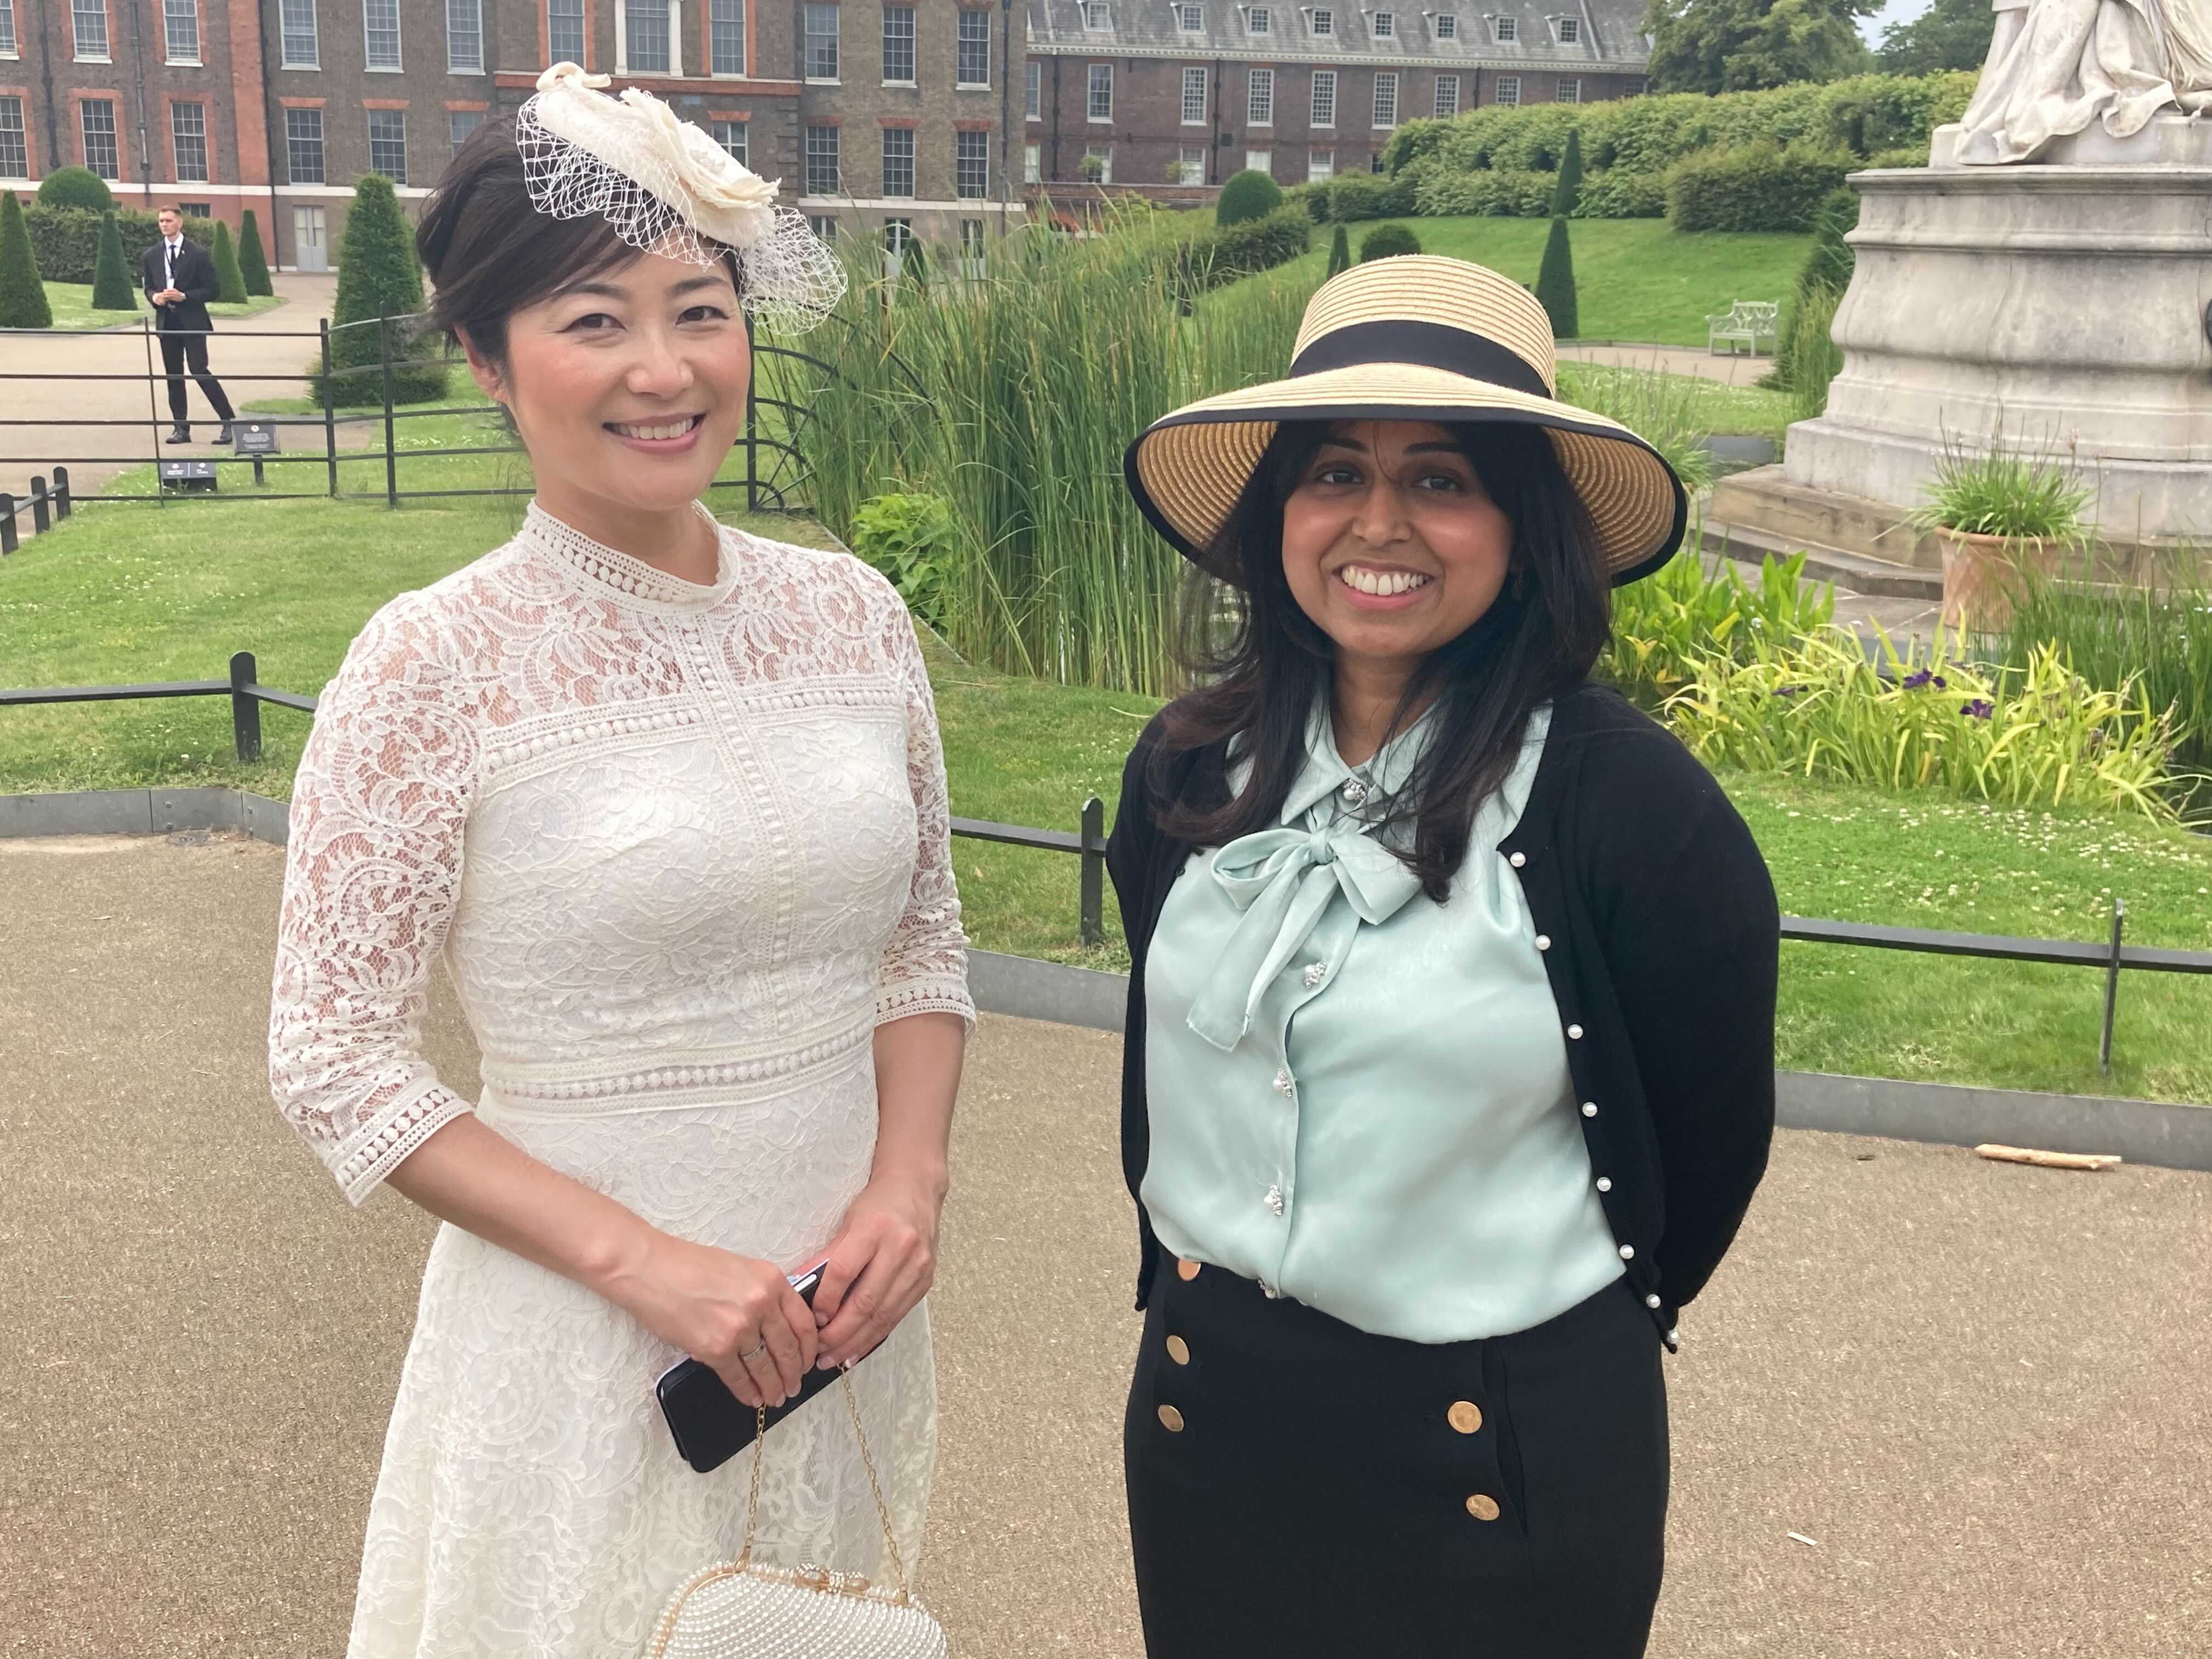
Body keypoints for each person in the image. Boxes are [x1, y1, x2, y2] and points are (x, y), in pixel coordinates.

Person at [267, 65, 970, 1657]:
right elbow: (331, 1059)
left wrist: (910, 1184)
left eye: (698, 309)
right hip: (594, 1335)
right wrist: (646, 1267)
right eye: (594, 321)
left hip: (841, 1315)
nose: (665, 370)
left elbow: (922, 940)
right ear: (484, 358)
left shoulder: (853, 613)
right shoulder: (431, 664)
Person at [1106, 256, 1781, 1658]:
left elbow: (1704, 1141)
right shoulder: (1189, 769)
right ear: (1277, 513)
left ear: (1525, 531)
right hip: (1204, 1426)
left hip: (1501, 1459)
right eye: (1335, 472)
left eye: (1442, 479)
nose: (1378, 523)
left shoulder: (1629, 809)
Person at [140, 207, 238, 445]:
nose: (164, 225)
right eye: (161, 221)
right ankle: (181, 428)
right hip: (168, 322)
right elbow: (149, 287)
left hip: (192, 320)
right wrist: (155, 298)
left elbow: (213, 290)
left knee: (199, 370)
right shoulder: (151, 255)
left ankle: (229, 422)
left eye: (169, 221)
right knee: (174, 376)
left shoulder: (198, 254)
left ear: (180, 223)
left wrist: (185, 296)